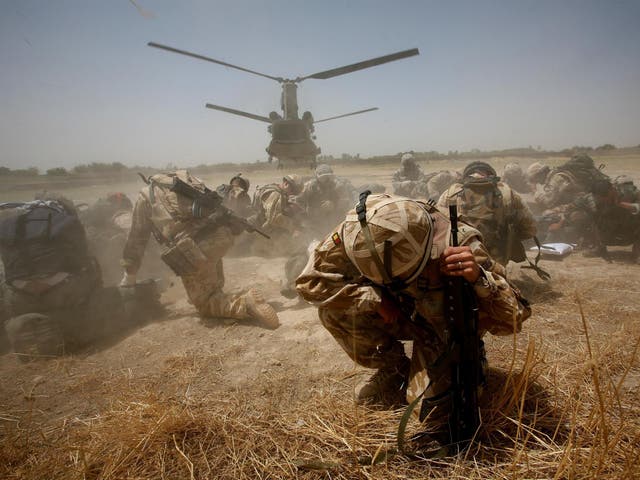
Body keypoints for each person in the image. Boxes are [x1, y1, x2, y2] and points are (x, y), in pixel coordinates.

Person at [295, 194, 531, 430]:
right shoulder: (359, 229)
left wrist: (479, 277)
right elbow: (310, 283)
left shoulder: (459, 244)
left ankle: (468, 359)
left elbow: (515, 316)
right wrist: (373, 298)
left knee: (430, 414)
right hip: (397, 312)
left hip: (439, 327)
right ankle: (394, 368)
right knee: (333, 311)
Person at [0, 193, 161, 359]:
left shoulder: (14, 224)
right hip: (64, 293)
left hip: (21, 298)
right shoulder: (64, 221)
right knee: (126, 297)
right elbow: (85, 261)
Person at [120, 170, 280, 329]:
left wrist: (129, 276)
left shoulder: (146, 196)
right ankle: (214, 290)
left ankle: (246, 303)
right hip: (220, 235)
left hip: (195, 247)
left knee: (205, 304)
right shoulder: (185, 180)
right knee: (210, 269)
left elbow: (137, 238)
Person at [437, 161, 537, 268]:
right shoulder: (507, 193)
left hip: (460, 262)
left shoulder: (450, 194)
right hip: (496, 265)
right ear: (491, 175)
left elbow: (437, 230)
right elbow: (530, 229)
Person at [249, 174, 305, 256]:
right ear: (286, 184)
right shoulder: (275, 194)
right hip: (260, 230)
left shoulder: (278, 191)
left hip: (261, 227)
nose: (292, 193)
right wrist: (293, 228)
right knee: (292, 248)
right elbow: (274, 219)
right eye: (292, 190)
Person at [533, 154, 609, 210]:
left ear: (541, 174)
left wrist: (537, 195)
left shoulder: (556, 178)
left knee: (548, 214)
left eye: (536, 179)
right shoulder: (557, 175)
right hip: (586, 201)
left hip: (584, 204)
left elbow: (549, 203)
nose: (538, 182)